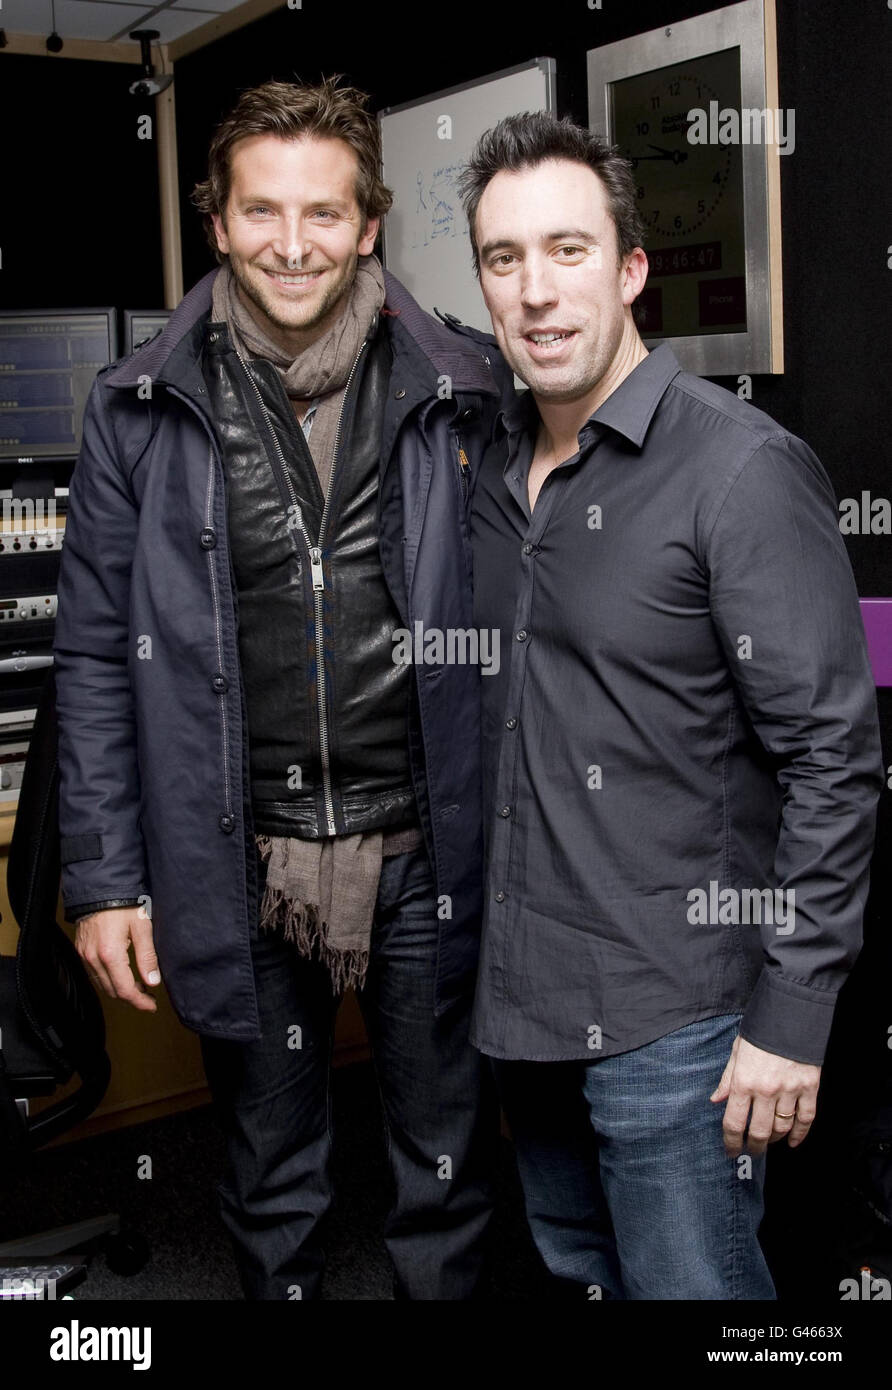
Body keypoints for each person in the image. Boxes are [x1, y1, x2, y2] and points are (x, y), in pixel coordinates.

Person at [53, 77, 508, 1301]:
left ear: (369, 225)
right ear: (217, 220)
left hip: (424, 848)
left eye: (324, 213)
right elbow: (94, 650)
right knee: (267, 1167)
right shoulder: (135, 406)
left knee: (446, 1165)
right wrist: (103, 874)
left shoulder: (463, 388)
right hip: (231, 846)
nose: (292, 244)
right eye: (262, 212)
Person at [458, 111, 882, 1300]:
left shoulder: (736, 469)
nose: (536, 292)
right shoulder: (491, 471)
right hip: (524, 1003)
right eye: (504, 259)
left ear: (633, 268)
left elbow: (834, 759)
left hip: (678, 1021)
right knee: (578, 1273)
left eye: (569, 250)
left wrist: (790, 1018)